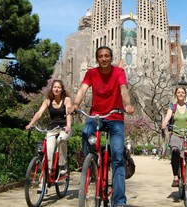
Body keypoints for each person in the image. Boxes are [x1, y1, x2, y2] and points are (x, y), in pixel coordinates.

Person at [69, 46, 134, 207]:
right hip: (96, 116)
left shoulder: (118, 72)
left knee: (118, 157)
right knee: (85, 133)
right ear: (97, 58)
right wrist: (75, 104)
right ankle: (91, 163)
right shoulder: (91, 73)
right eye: (100, 56)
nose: (104, 58)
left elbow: (123, 88)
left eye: (106, 56)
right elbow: (83, 89)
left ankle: (119, 201)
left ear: (111, 58)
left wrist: (128, 104)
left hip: (115, 116)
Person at [26, 80, 72, 175]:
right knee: (49, 151)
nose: (57, 89)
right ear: (52, 88)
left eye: (59, 87)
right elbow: (39, 113)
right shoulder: (47, 100)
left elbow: (68, 113)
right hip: (52, 129)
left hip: (64, 128)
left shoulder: (66, 99)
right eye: (55, 87)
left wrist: (68, 125)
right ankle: (45, 180)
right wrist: (30, 124)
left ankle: (62, 164)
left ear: (62, 89)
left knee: (61, 140)